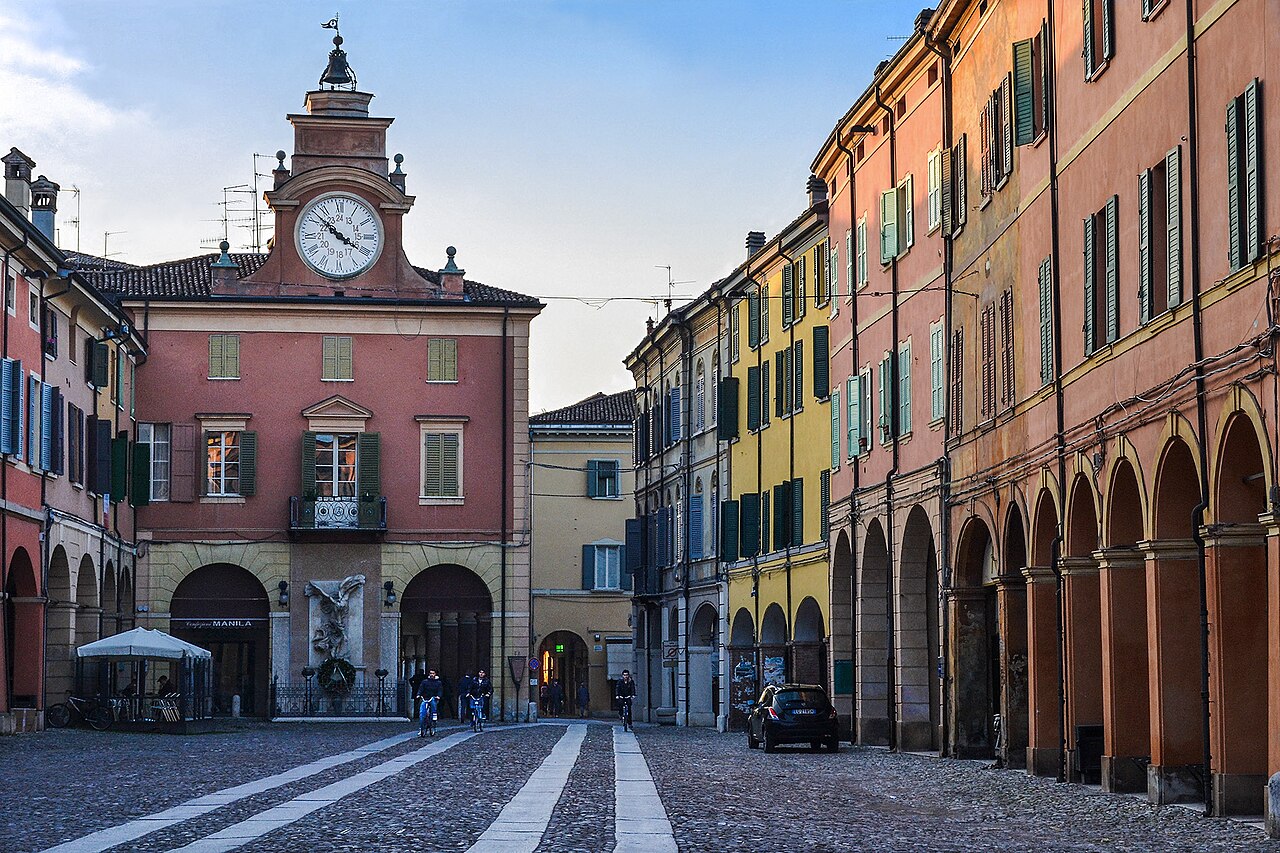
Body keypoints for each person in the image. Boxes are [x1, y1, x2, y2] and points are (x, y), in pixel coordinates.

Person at [415, 669, 443, 737]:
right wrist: (418, 694)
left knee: (433, 706)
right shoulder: (425, 682)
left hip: (433, 697)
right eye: (430, 673)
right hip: (425, 698)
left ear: (435, 674)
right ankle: (421, 727)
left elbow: (440, 690)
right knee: (422, 711)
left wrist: (438, 696)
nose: (431, 675)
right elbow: (421, 688)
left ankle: (434, 718)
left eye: (433, 673)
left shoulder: (438, 682)